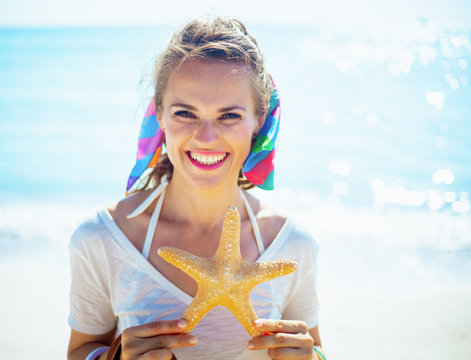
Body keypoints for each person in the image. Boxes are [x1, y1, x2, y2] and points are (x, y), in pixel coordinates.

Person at [67, 17, 325, 360]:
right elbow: (81, 348)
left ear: (259, 120)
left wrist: (313, 358)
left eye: (229, 116)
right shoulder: (102, 237)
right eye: (185, 113)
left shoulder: (293, 244)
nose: (205, 138)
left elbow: (316, 348)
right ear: (159, 114)